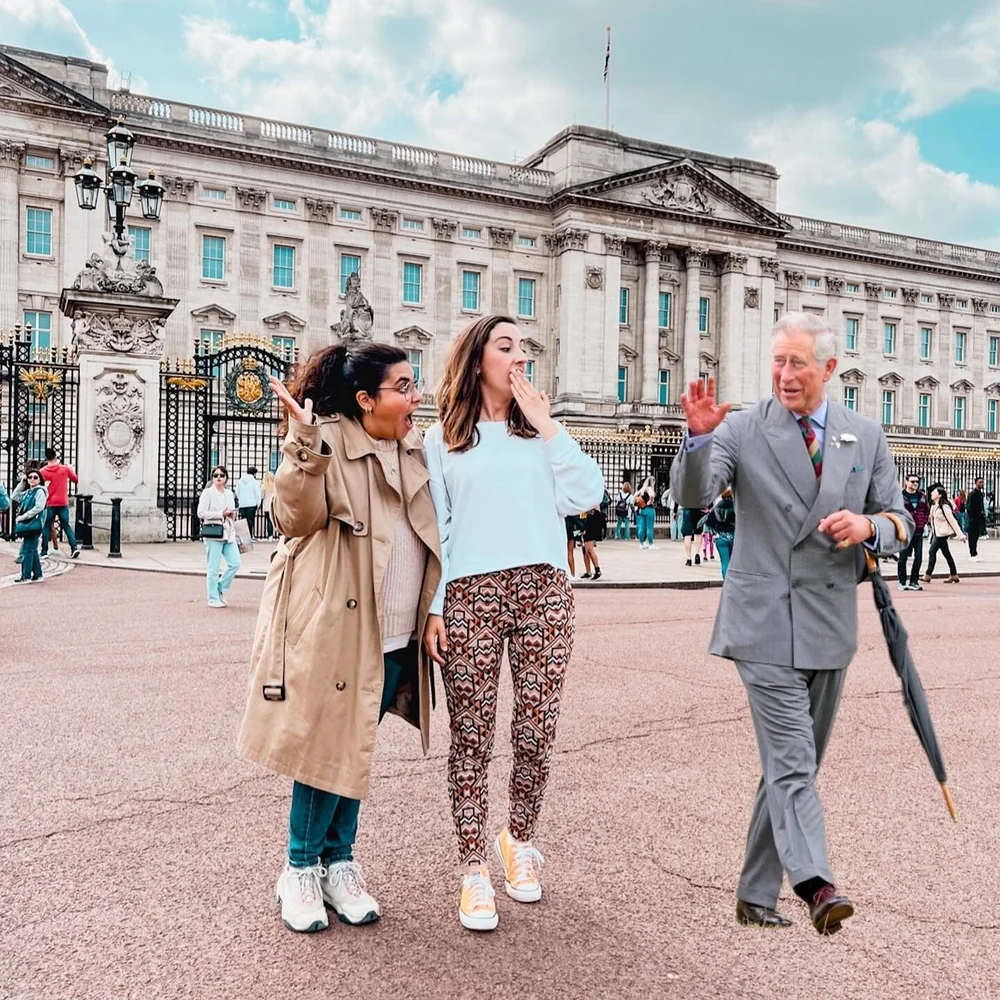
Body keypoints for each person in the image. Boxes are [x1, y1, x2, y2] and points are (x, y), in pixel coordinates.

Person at [671, 312, 911, 936]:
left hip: (830, 622)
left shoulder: (865, 433)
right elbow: (696, 497)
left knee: (789, 766)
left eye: (797, 362)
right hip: (763, 622)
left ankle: (754, 896)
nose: (784, 374)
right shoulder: (743, 429)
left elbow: (900, 520)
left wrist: (870, 529)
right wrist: (696, 442)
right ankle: (815, 883)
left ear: (828, 369)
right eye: (778, 361)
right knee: (794, 759)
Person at [237, 342, 441, 934]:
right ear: (365, 398)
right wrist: (302, 445)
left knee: (352, 747)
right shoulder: (323, 437)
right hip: (342, 627)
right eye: (403, 387)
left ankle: (338, 863)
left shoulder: (413, 449)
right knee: (324, 749)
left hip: (397, 628)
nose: (414, 396)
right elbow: (292, 518)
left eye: (413, 384)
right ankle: (299, 868)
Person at [422, 314, 603, 932]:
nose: (520, 357)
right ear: (477, 361)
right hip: (472, 590)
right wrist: (435, 605)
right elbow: (437, 532)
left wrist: (550, 425)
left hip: (544, 588)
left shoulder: (543, 436)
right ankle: (473, 866)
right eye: (506, 347)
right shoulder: (441, 438)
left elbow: (588, 495)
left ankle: (518, 840)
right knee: (472, 735)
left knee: (535, 729)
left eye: (523, 347)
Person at [197, 466, 241, 608]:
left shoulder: (229, 493)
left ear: (226, 478)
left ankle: (221, 588)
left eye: (222, 475)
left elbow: (231, 510)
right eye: (216, 475)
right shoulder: (207, 493)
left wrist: (232, 514)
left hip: (228, 534)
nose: (219, 477)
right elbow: (201, 513)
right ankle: (213, 598)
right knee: (213, 568)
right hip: (213, 533)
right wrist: (220, 513)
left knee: (235, 563)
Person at [39, 448, 79, 559]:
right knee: (66, 526)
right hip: (62, 502)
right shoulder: (64, 469)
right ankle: (74, 547)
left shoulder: (42, 471)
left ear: (46, 458)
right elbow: (75, 479)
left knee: (46, 526)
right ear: (56, 457)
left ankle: (44, 551)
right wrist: (71, 470)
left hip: (50, 503)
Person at [920, 486, 964, 584]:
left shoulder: (944, 506)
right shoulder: (934, 505)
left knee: (932, 552)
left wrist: (960, 535)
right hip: (937, 533)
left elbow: (952, 521)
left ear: (939, 495)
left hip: (943, 534)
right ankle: (954, 574)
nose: (932, 494)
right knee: (946, 554)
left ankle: (928, 574)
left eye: (934, 492)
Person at [11, 468, 48, 584]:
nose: (32, 479)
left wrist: (23, 517)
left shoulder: (40, 492)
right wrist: (22, 483)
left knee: (27, 549)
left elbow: (39, 507)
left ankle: (25, 576)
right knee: (32, 549)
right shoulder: (28, 492)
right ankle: (38, 575)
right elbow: (14, 496)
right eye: (30, 477)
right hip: (30, 524)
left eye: (35, 477)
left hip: (34, 524)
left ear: (40, 480)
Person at [897, 474, 930, 591]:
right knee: (903, 557)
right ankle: (902, 581)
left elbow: (927, 510)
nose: (915, 484)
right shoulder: (899, 496)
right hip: (905, 531)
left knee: (919, 557)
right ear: (906, 482)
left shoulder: (922, 496)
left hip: (918, 531)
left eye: (917, 482)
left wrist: (924, 521)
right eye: (912, 481)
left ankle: (914, 581)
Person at [704, 488, 735, 579]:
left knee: (724, 562)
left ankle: (726, 581)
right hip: (734, 536)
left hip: (720, 537)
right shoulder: (735, 507)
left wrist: (716, 531)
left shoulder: (717, 507)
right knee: (733, 563)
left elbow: (709, 521)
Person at [236, 466, 262, 538]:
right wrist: (258, 503)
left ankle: (244, 536)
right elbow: (258, 493)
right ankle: (250, 535)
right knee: (250, 520)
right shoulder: (254, 482)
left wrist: (240, 499)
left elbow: (237, 492)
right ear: (254, 474)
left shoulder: (240, 481)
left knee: (243, 521)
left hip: (242, 504)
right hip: (252, 504)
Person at [580, 506, 605, 580]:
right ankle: (588, 572)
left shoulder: (594, 501)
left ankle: (597, 570)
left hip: (591, 523)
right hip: (585, 520)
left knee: (589, 549)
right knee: (585, 550)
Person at [965, 477, 986, 561]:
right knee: (972, 537)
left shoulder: (980, 493)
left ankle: (974, 552)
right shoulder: (973, 493)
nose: (982, 484)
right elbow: (969, 507)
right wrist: (974, 515)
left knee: (976, 536)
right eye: (980, 482)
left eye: (982, 482)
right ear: (976, 483)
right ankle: (972, 553)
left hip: (978, 518)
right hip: (973, 518)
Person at [634, 477, 657, 550]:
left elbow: (635, 495)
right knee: (649, 528)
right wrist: (650, 501)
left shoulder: (641, 489)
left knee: (642, 527)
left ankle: (641, 543)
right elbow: (652, 496)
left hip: (641, 509)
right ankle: (651, 544)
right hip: (649, 509)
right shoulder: (650, 488)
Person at [261, 470, 277, 540]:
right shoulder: (275, 485)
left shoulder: (263, 486)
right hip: (274, 505)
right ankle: (279, 535)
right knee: (276, 521)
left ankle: (270, 536)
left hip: (266, 505)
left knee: (269, 521)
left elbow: (261, 496)